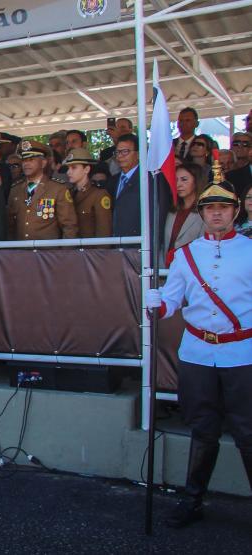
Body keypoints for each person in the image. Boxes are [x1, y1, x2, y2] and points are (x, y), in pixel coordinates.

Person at [145, 175, 252, 530]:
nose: (217, 214)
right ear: (202, 214)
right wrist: (157, 304)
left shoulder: (250, 250)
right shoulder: (186, 255)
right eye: (210, 209)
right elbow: (173, 300)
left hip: (242, 353)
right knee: (203, 430)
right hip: (198, 352)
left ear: (235, 212)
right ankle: (192, 501)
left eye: (223, 208)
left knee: (248, 432)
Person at [104, 133, 171, 238]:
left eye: (125, 152)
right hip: (116, 246)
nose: (120, 156)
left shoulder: (150, 180)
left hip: (140, 247)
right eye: (117, 152)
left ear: (139, 154)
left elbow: (158, 216)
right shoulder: (112, 181)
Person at [7, 141, 78, 240]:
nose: (26, 163)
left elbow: (69, 226)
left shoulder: (58, 188)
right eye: (24, 160)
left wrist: (64, 254)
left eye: (31, 160)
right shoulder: (15, 189)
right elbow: (10, 226)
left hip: (48, 253)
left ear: (43, 163)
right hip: (21, 253)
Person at [161, 162, 206, 267]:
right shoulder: (171, 211)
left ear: (197, 181)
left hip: (192, 271)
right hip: (167, 271)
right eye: (175, 180)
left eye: (184, 180)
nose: (178, 184)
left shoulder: (204, 212)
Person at [63, 148, 112, 238]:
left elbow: (104, 232)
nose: (68, 172)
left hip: (91, 250)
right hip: (70, 250)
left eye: (74, 167)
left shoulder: (99, 194)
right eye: (68, 168)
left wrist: (100, 252)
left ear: (86, 169)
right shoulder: (68, 193)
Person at [226, 132, 252, 200]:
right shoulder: (228, 176)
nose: (240, 146)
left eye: (245, 144)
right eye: (236, 143)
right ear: (231, 146)